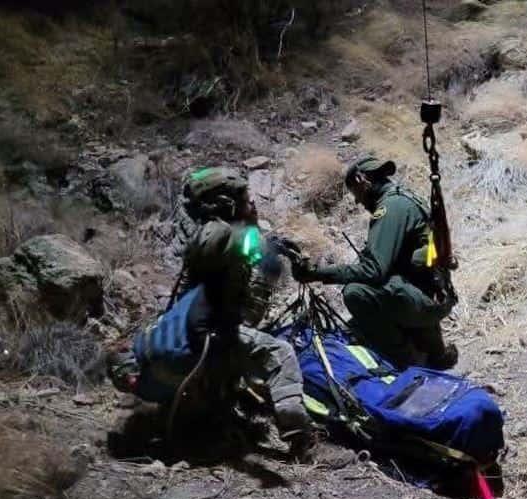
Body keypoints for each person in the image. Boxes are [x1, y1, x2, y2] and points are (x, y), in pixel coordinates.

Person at [110, 167, 315, 456]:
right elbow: (258, 258)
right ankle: (300, 439)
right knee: (279, 353)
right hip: (204, 336)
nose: (253, 204)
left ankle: (202, 415)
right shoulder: (226, 234)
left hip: (177, 339)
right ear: (229, 204)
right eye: (246, 199)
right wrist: (267, 247)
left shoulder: (203, 231)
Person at [292, 155, 457, 369]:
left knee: (355, 293)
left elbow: (374, 271)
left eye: (356, 194)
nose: (358, 202)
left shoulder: (389, 208)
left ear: (362, 180)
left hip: (426, 301)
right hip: (433, 293)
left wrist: (317, 274)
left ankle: (408, 360)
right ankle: (429, 346)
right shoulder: (403, 198)